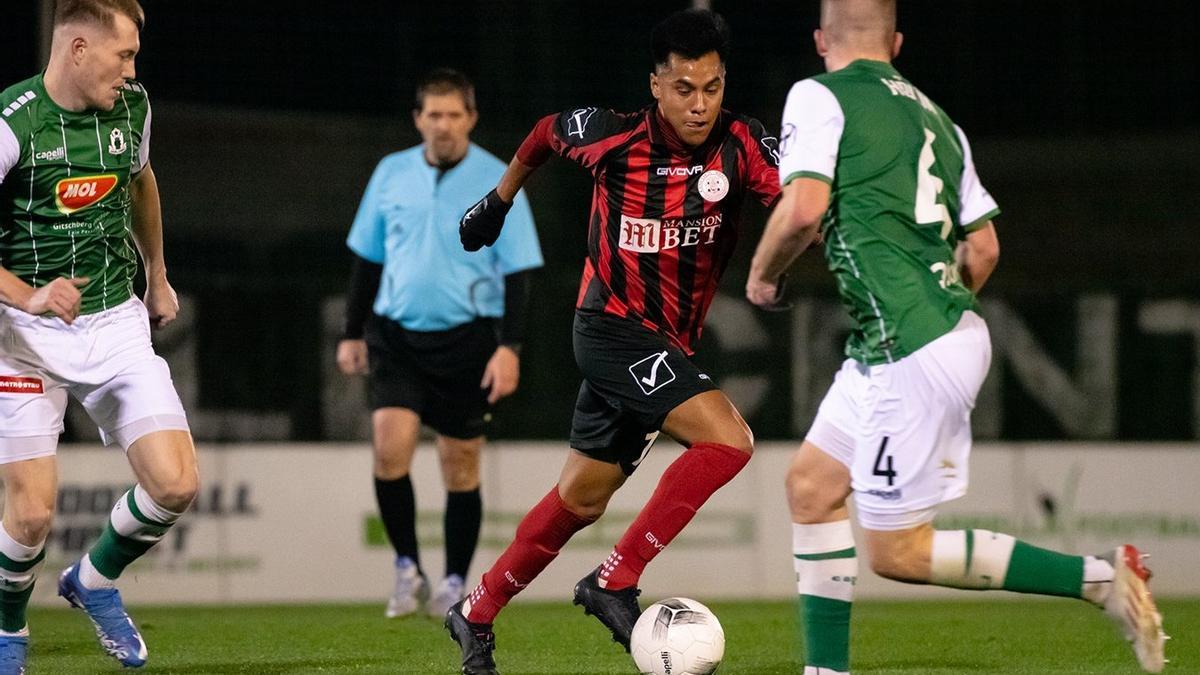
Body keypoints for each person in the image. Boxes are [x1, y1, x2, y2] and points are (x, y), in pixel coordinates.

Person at [745, 1, 1166, 673]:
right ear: (897, 42)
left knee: (897, 552)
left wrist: (762, 276)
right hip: (921, 331)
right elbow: (986, 247)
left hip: (909, 342)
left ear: (821, 38)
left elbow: (803, 206)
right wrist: (938, 310)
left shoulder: (816, 95)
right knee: (811, 485)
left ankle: (1101, 577)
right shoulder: (940, 121)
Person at [448, 9, 780, 674]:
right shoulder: (611, 136)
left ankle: (474, 610)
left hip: (667, 345)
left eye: (712, 89)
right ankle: (614, 578)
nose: (699, 104)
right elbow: (544, 134)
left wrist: (795, 246)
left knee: (580, 498)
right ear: (656, 86)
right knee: (728, 440)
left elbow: (798, 197)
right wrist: (499, 199)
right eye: (684, 89)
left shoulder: (743, 145)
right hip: (608, 329)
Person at [0, 0, 200, 672]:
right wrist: (30, 294)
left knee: (176, 483)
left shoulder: (133, 108)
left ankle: (93, 579)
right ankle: (7, 633)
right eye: (123, 55)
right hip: (24, 332)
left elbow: (142, 182)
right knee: (29, 518)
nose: (132, 70)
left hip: (114, 320)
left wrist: (159, 275)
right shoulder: (12, 121)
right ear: (79, 48)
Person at [337, 68, 543, 621]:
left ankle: (453, 580)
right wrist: (352, 331)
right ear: (418, 119)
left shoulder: (498, 178)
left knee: (460, 467)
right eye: (434, 114)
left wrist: (510, 347)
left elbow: (518, 272)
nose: (443, 125)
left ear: (471, 118)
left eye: (455, 114)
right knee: (388, 448)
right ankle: (407, 568)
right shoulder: (390, 172)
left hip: (468, 341)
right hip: (396, 336)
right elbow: (368, 259)